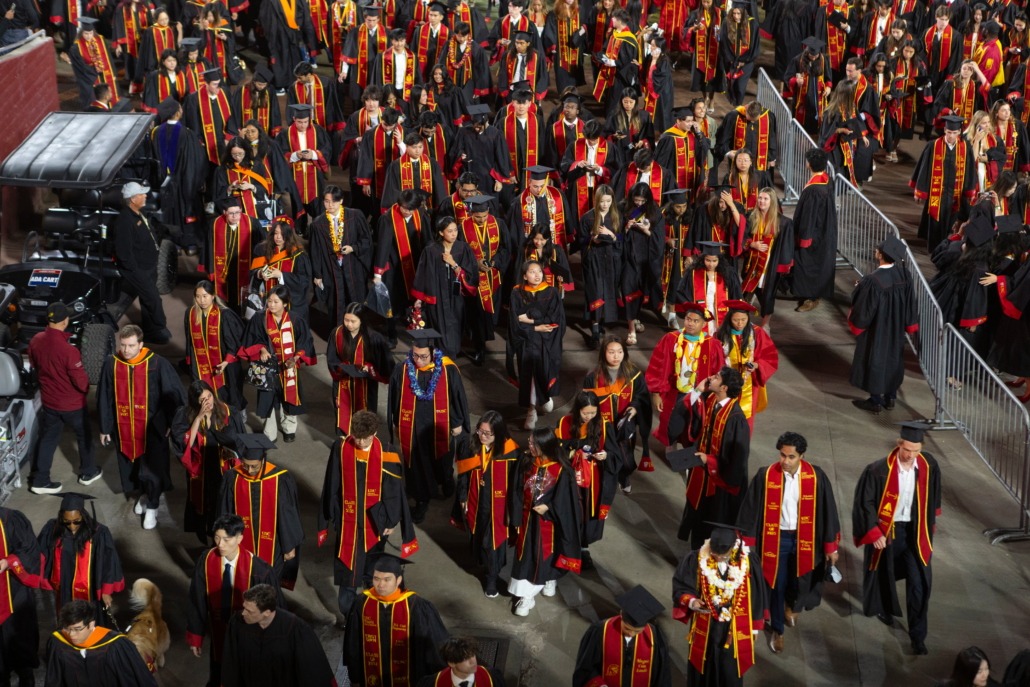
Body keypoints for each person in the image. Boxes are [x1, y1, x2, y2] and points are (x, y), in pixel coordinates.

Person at [736, 431, 841, 655]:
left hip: (806, 539)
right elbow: (750, 509)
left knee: (802, 578)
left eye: (791, 457)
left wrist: (831, 546)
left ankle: (792, 607)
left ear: (801, 456)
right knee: (776, 584)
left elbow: (828, 512)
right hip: (776, 540)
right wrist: (746, 544)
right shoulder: (765, 476)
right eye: (782, 455)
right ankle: (778, 629)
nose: (785, 461)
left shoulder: (816, 477)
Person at [852, 421, 943, 655]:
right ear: (898, 444)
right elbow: (866, 503)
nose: (910, 455)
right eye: (906, 450)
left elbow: (934, 494)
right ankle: (884, 606)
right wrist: (874, 532)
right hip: (889, 532)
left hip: (915, 532)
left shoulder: (928, 465)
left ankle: (917, 636)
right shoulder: (878, 470)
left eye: (915, 451)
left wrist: (930, 521)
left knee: (919, 584)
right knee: (886, 573)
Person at [318, 410, 417, 616]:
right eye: (357, 437)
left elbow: (394, 493)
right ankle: (348, 614)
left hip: (375, 521)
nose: (361, 442)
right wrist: (331, 514)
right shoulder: (341, 447)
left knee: (371, 570)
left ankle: (370, 612)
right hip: (348, 519)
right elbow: (332, 481)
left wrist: (391, 520)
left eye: (365, 438)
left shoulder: (387, 453)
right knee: (347, 568)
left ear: (374, 434)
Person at [98, 324, 186, 530]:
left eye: (131, 345)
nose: (126, 350)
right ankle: (144, 495)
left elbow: (174, 395)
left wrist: (171, 424)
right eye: (123, 345)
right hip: (124, 428)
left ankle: (153, 506)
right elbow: (105, 396)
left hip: (152, 428)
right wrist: (104, 427)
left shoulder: (157, 364)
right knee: (133, 467)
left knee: (152, 470)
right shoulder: (112, 363)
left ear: (141, 344)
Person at [186, 514, 282, 687]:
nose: (220, 545)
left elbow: (274, 611)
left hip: (251, 637)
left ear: (239, 538)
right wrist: (196, 635)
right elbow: (197, 599)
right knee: (220, 673)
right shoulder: (206, 561)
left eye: (226, 539)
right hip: (219, 632)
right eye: (216, 538)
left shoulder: (259, 570)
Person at [387, 328, 470, 523]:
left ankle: (446, 479)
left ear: (433, 353)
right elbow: (395, 399)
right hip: (413, 427)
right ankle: (421, 499)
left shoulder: (447, 369)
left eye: (423, 356)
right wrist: (397, 424)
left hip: (440, 425)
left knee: (442, 458)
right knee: (416, 463)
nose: (419, 360)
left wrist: (458, 422)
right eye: (415, 355)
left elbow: (458, 396)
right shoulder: (404, 369)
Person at [671, 524, 765, 687]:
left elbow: (757, 594)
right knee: (703, 666)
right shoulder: (697, 558)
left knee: (729, 669)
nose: (718, 558)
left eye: (723, 555)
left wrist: (754, 626)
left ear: (733, 548)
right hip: (706, 622)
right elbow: (682, 585)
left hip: (734, 626)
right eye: (715, 554)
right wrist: (692, 601)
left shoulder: (748, 562)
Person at [343, 553, 449, 687]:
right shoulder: (361, 603)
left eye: (387, 579)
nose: (380, 584)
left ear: (398, 580)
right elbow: (353, 643)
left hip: (409, 678)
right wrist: (355, 677)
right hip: (371, 676)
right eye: (376, 579)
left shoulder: (416, 607)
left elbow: (432, 647)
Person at [27, 302, 100, 495]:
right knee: (84, 437)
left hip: (50, 403)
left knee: (48, 439)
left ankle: (40, 480)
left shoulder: (36, 340)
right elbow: (81, 381)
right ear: (65, 320)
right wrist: (85, 391)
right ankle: (88, 472)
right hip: (73, 405)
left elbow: (34, 366)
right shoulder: (69, 351)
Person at [508, 427, 582, 617]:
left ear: (545, 446)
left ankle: (536, 589)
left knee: (544, 556)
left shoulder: (560, 470)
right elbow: (516, 490)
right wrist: (515, 516)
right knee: (525, 557)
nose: (529, 446)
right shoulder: (526, 461)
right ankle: (526, 593)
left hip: (548, 524)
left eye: (534, 444)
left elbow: (566, 502)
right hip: (526, 520)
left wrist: (549, 509)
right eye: (530, 441)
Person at [676, 367, 751, 550]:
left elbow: (737, 460)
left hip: (720, 482)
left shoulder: (735, 419)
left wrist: (709, 461)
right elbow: (684, 414)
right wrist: (698, 391)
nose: (710, 377)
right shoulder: (710, 401)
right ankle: (696, 555)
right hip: (701, 473)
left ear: (724, 387)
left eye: (716, 377)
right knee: (698, 516)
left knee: (714, 520)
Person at [218, 434, 304, 588]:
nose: (249, 470)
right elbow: (225, 511)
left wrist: (289, 546)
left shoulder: (280, 479)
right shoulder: (233, 477)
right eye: (245, 465)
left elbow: (287, 514)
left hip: (274, 544)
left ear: (263, 460)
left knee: (270, 585)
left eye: (254, 466)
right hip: (242, 542)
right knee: (243, 582)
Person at [237, 285, 317, 442]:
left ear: (285, 303)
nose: (271, 305)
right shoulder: (260, 318)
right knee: (268, 399)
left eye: (276, 301)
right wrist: (261, 349)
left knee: (290, 398)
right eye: (269, 301)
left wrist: (295, 358)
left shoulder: (295, 320)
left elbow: (305, 341)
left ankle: (289, 428)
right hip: (268, 367)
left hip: (288, 367)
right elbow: (251, 338)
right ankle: (270, 433)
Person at [849, 235, 920, 414]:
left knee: (876, 360)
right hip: (896, 328)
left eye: (877, 250)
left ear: (880, 255)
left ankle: (875, 400)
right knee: (893, 359)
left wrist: (859, 289)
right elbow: (911, 301)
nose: (875, 251)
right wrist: (909, 323)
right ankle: (891, 397)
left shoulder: (873, 280)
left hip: (878, 329)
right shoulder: (904, 275)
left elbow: (865, 309)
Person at [555, 391, 624, 566]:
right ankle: (566, 546)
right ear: (577, 409)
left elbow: (616, 455)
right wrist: (574, 454)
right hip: (570, 478)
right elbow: (556, 452)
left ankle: (583, 548)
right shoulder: (564, 423)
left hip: (594, 480)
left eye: (593, 413)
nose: (589, 417)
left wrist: (606, 456)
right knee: (571, 511)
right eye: (585, 413)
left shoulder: (604, 425)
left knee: (587, 514)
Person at [171, 379, 246, 542]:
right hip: (201, 469)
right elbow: (185, 446)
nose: (208, 402)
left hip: (224, 468)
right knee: (204, 504)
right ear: (195, 402)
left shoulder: (229, 412)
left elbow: (241, 441)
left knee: (224, 502)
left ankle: (222, 536)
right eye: (202, 400)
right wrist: (198, 419)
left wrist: (234, 452)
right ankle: (205, 532)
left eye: (209, 396)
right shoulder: (185, 415)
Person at [221, 584, 334, 687]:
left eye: (249, 611)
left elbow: (311, 671)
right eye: (244, 607)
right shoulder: (237, 623)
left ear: (267, 612)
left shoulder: (295, 629)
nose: (243, 613)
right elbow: (231, 661)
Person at [644, 303, 725, 447]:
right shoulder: (671, 339)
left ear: (703, 323)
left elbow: (718, 372)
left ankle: (689, 458)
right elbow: (658, 367)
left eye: (696, 321)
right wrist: (656, 393)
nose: (691, 324)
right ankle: (670, 448)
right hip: (675, 392)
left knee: (696, 426)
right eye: (688, 319)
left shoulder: (712, 344)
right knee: (672, 425)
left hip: (700, 394)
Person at [37, 492, 124, 622]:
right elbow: (41, 553)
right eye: (67, 522)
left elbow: (109, 562)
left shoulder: (98, 533)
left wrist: (106, 591)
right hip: (64, 588)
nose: (72, 526)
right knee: (67, 619)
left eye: (76, 521)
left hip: (91, 589)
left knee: (91, 620)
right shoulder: (53, 529)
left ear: (83, 515)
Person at [583, 334, 653, 490]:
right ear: (603, 353)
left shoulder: (633, 374)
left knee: (625, 454)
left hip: (624, 423)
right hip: (602, 424)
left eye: (620, 352)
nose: (616, 356)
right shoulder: (593, 377)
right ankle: (605, 482)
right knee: (604, 453)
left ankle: (624, 476)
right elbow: (585, 400)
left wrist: (634, 408)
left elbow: (641, 396)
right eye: (611, 352)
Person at [572, 585, 672, 687]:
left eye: (637, 631)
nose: (631, 633)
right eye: (627, 628)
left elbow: (662, 676)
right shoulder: (600, 631)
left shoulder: (654, 637)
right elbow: (585, 668)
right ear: (620, 615)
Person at [508, 260, 566, 429]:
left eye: (539, 271)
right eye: (532, 272)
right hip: (527, 341)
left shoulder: (551, 292)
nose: (537, 275)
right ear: (525, 275)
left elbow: (556, 320)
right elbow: (515, 322)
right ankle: (531, 410)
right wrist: (536, 328)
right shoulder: (517, 293)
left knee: (545, 371)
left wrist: (532, 321)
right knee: (530, 375)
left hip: (547, 341)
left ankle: (545, 396)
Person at [44, 599, 157, 687]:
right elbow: (54, 680)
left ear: (91, 624)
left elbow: (134, 680)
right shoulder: (58, 642)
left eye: (77, 629)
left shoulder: (116, 645)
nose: (72, 634)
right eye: (67, 629)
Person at [412, 216, 480, 359]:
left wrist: (453, 263)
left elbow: (471, 274)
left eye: (455, 230)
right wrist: (419, 298)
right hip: (437, 295)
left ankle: (452, 354)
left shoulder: (463, 248)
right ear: (441, 233)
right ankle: (442, 357)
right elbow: (422, 274)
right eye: (449, 231)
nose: (454, 234)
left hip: (457, 296)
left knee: (456, 325)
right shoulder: (431, 250)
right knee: (438, 326)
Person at [113, 181, 171, 344]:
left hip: (148, 267)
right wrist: (136, 271)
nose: (145, 196)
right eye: (141, 194)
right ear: (132, 199)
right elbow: (124, 253)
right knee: (153, 299)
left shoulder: (139, 213)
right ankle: (159, 330)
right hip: (137, 270)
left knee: (148, 299)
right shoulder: (125, 220)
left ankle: (151, 332)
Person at [326, 304, 395, 435]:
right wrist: (342, 368)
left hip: (366, 384)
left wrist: (369, 368)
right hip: (343, 381)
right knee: (343, 411)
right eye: (346, 320)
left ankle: (365, 442)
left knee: (366, 414)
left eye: (353, 321)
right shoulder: (337, 333)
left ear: (361, 320)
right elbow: (332, 358)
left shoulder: (373, 337)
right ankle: (344, 440)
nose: (349, 325)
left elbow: (384, 363)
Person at [911, 114, 977, 249]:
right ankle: (934, 248)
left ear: (959, 132)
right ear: (944, 131)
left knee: (952, 221)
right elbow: (924, 169)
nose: (951, 136)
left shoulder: (965, 148)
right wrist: (919, 191)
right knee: (936, 220)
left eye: (954, 133)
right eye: (948, 132)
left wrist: (969, 191)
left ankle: (947, 248)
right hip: (938, 193)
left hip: (955, 193)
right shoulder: (933, 146)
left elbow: (970, 170)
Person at [310, 184, 372, 328]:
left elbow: (366, 240)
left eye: (333, 201)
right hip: (331, 269)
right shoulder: (318, 224)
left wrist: (353, 248)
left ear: (341, 201)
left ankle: (359, 331)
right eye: (326, 201)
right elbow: (315, 251)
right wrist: (317, 274)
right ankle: (337, 334)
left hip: (353, 266)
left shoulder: (355, 216)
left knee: (356, 299)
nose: (330, 205)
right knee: (336, 302)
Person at [459, 194, 511, 364]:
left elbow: (506, 248)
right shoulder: (463, 227)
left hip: (493, 276)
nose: (481, 220)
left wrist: (495, 262)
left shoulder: (498, 224)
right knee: (477, 315)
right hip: (473, 279)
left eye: (483, 216)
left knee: (489, 314)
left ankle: (485, 340)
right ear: (471, 214)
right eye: (477, 217)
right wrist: (475, 263)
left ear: (488, 211)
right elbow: (459, 252)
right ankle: (479, 347)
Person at [183, 280, 246, 411]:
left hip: (225, 364)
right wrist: (189, 360)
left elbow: (233, 343)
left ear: (213, 295)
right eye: (198, 296)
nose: (202, 300)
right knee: (202, 393)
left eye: (205, 296)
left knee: (229, 395)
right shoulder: (190, 314)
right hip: (199, 363)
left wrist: (226, 361)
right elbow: (189, 340)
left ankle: (237, 418)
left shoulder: (225, 315)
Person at [0, 506, 46, 684]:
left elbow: (30, 549)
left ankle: (26, 676)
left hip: (13, 593)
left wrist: (9, 562)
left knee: (19, 637)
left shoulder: (10, 519)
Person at [715, 300, 779, 426]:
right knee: (724, 416)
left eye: (743, 320)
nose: (740, 324)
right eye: (736, 320)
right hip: (725, 382)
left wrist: (756, 365)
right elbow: (714, 359)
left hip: (749, 381)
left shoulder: (757, 332)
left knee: (746, 418)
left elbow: (770, 356)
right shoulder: (720, 334)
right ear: (729, 319)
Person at [791, 148, 838, 313]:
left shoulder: (814, 190)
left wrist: (804, 237)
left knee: (809, 262)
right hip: (825, 228)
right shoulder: (826, 179)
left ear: (808, 164)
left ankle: (811, 296)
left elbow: (809, 217)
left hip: (814, 232)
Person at [620, 182, 666, 346]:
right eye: (636, 200)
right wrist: (626, 228)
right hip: (629, 257)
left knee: (641, 291)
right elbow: (617, 234)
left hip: (646, 259)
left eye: (642, 201)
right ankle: (631, 329)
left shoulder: (655, 211)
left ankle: (636, 316)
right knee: (628, 289)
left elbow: (659, 239)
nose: (639, 204)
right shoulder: (624, 208)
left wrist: (646, 230)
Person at [741, 188, 793, 329]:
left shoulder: (783, 223)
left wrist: (781, 269)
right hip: (753, 264)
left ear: (772, 202)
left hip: (769, 267)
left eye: (765, 199)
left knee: (768, 296)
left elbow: (786, 247)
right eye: (760, 198)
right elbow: (742, 237)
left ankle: (765, 325)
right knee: (747, 292)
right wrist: (752, 244)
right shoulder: (751, 217)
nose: (761, 201)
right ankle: (742, 323)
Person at [249, 218, 315, 325]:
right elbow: (252, 273)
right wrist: (260, 274)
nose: (278, 237)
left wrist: (281, 275)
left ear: (289, 234)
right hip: (266, 303)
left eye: (282, 234)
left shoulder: (298, 255)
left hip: (291, 306)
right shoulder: (261, 250)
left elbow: (304, 281)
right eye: (276, 233)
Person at [207, 196, 263, 311]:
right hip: (223, 270)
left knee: (244, 299)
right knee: (224, 299)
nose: (235, 216)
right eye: (231, 213)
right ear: (224, 212)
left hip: (245, 269)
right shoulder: (215, 224)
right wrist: (211, 270)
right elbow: (208, 248)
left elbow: (261, 247)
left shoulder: (253, 223)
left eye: (237, 212)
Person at [418, 635, 507, 687]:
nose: (473, 662)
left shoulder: (493, 677)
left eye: (472, 655)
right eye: (465, 658)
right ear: (451, 663)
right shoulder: (431, 684)